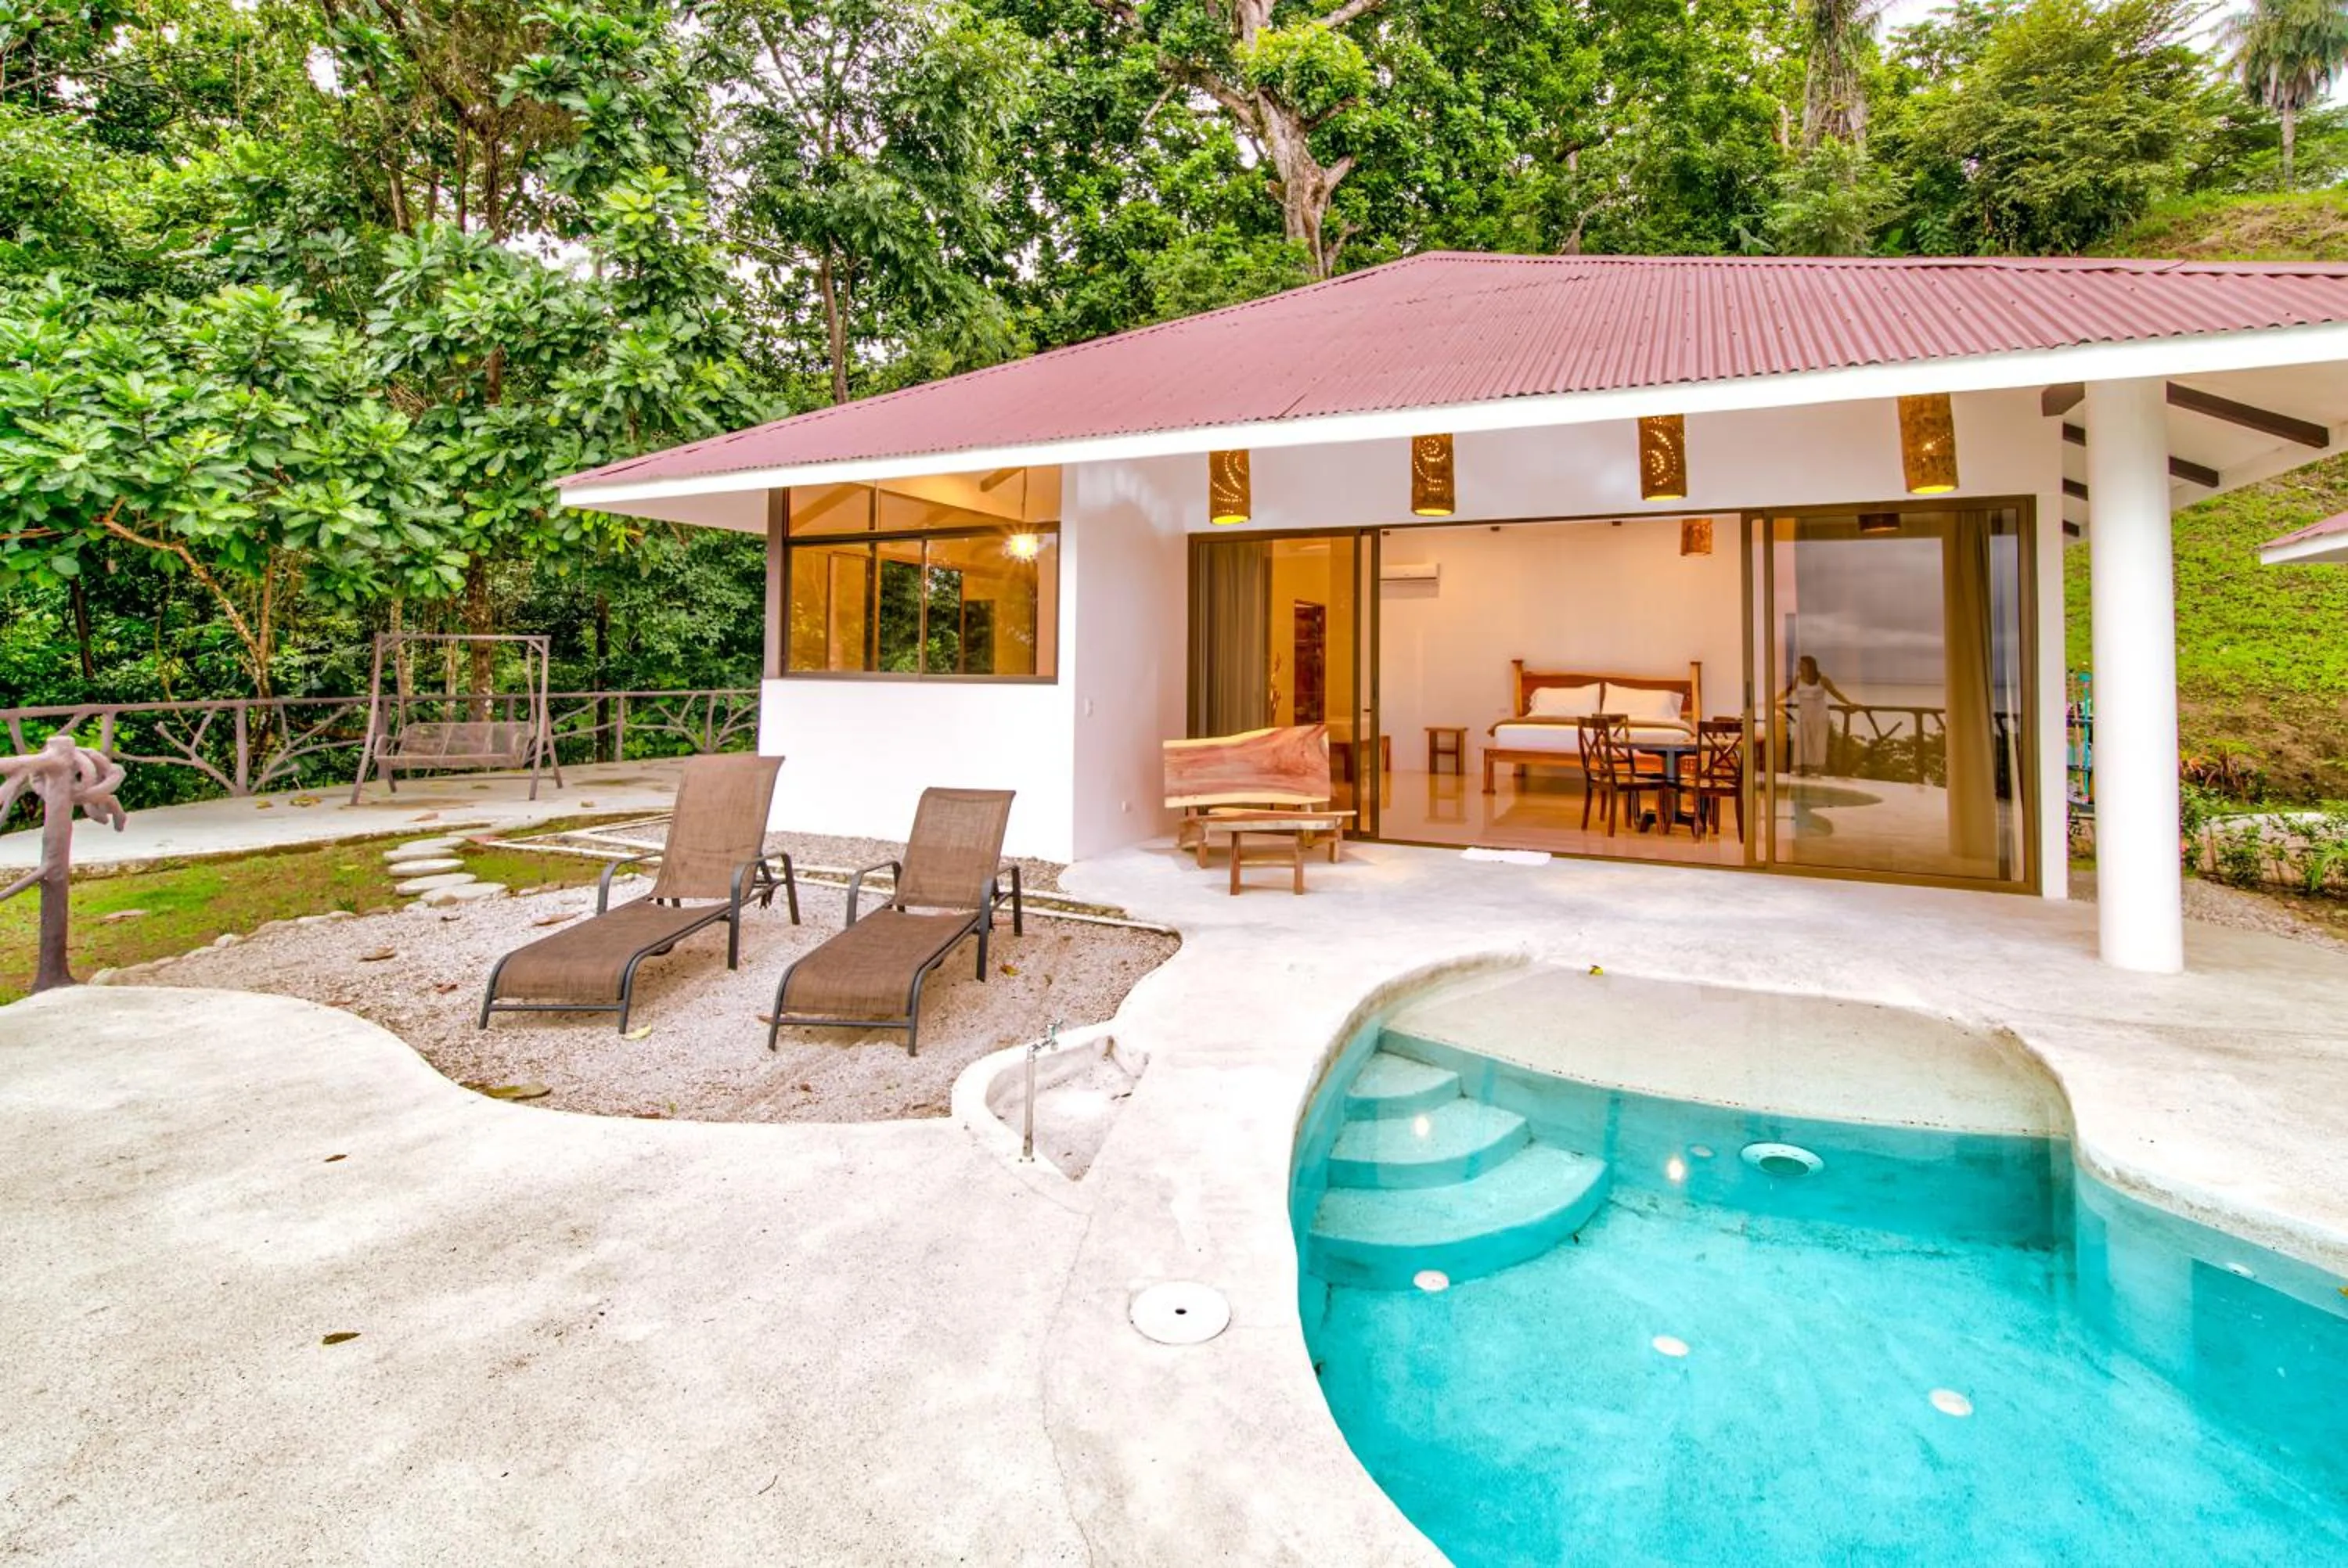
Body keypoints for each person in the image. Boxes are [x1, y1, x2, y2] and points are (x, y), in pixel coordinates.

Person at [1781, 655, 1852, 775]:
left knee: (1818, 741)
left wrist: (1850, 703)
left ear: (1810, 666)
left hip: (1820, 713)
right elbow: (1787, 692)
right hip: (1804, 714)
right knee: (1801, 740)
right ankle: (1799, 768)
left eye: (1802, 664)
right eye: (1800, 664)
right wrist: (1773, 701)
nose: (1800, 666)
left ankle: (1817, 769)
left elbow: (1835, 693)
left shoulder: (1822, 679)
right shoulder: (1798, 680)